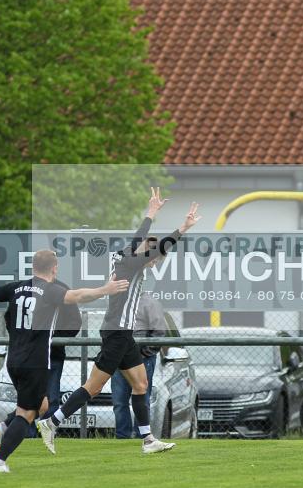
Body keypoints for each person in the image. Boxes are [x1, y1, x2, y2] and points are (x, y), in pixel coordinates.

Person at [0, 250, 128, 473]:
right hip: (36, 362)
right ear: (54, 268)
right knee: (27, 414)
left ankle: (2, 427)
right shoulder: (51, 290)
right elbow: (78, 296)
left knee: (42, 405)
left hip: (13, 360)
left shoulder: (17, 288)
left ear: (33, 267)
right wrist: (105, 290)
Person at [37, 188, 200, 455]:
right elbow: (156, 246)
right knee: (93, 387)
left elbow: (139, 239)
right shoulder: (131, 263)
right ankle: (51, 422)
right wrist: (183, 227)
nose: (154, 262)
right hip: (116, 333)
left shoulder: (126, 257)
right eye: (154, 259)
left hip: (124, 335)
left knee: (141, 384)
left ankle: (148, 440)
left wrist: (151, 213)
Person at [0, 278, 82, 454]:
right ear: (53, 268)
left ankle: (5, 428)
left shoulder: (60, 289)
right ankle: (21, 439)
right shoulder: (23, 288)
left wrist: (49, 337)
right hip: (31, 356)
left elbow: (74, 323)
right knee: (33, 403)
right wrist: (25, 337)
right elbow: (9, 317)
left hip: (51, 355)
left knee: (45, 402)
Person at [111, 291, 167, 438]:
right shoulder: (117, 301)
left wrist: (144, 353)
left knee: (142, 399)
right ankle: (122, 438)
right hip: (119, 359)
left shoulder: (150, 302)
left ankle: (142, 436)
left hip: (142, 359)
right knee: (119, 401)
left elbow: (159, 332)